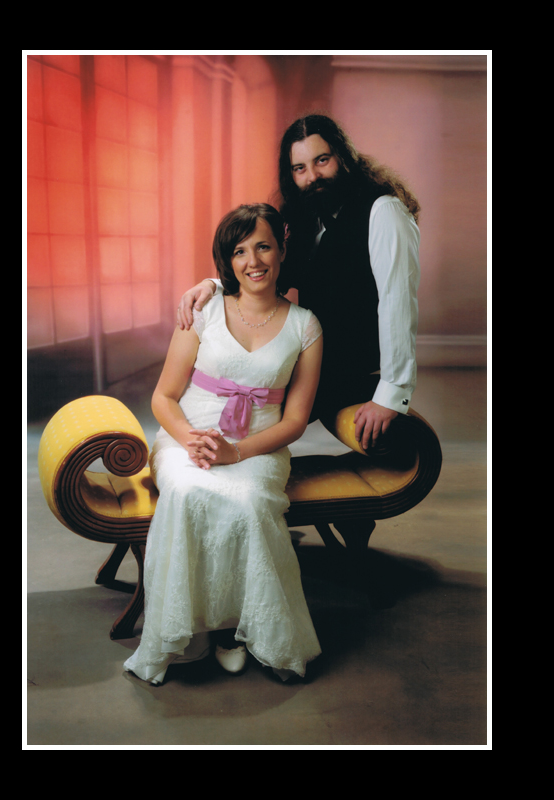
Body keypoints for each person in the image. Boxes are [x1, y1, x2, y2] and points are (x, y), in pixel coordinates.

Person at [124, 203, 323, 686]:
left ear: (281, 250)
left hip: (258, 448)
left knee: (250, 502)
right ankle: (191, 630)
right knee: (186, 491)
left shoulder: (305, 326)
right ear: (227, 260)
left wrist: (237, 452)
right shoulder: (205, 310)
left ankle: (237, 629)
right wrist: (190, 439)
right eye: (239, 251)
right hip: (187, 437)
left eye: (263, 247)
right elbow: (164, 396)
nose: (253, 261)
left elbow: (295, 420)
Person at [177, 114, 420, 452]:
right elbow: (266, 275)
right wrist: (213, 285)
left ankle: (224, 456)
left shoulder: (384, 211)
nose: (312, 177)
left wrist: (391, 395)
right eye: (299, 168)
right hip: (304, 364)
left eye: (322, 160)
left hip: (352, 374)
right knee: (221, 387)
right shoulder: (305, 218)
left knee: (252, 412)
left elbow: (397, 303)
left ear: (344, 158)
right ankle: (198, 447)